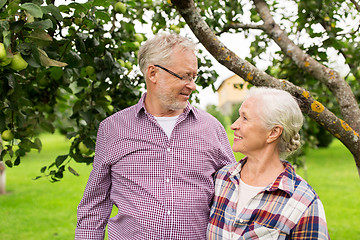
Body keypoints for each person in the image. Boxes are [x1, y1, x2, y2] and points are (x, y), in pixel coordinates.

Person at [75, 32, 236, 240]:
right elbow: (94, 206)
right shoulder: (113, 129)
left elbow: (234, 196)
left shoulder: (211, 128)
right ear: (153, 73)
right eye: (184, 76)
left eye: (193, 77)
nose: (192, 85)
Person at [207, 87, 330, 239]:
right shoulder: (220, 179)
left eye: (245, 118)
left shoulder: (303, 203)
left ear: (273, 133)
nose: (234, 125)